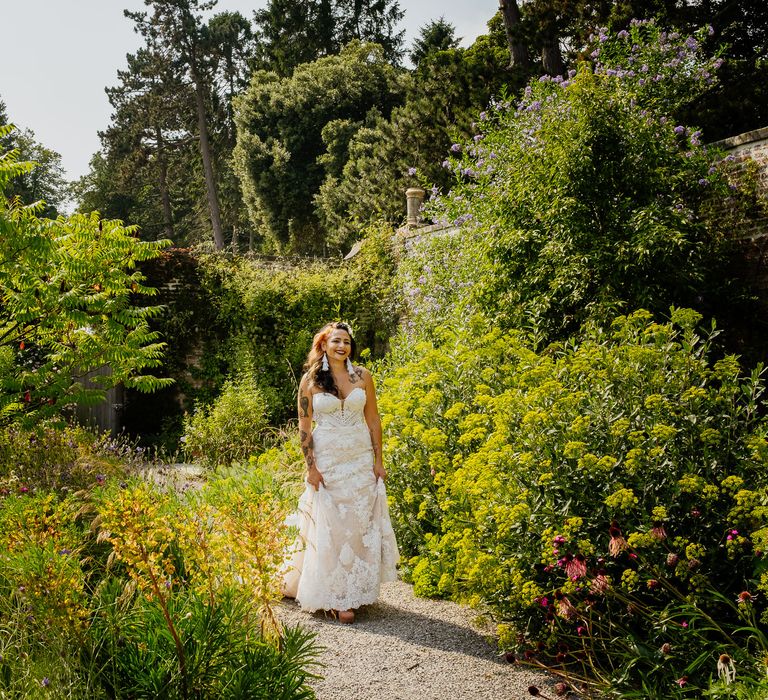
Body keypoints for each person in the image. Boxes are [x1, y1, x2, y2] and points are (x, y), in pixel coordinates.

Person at [281, 322, 399, 623]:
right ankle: (333, 595)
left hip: (359, 459)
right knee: (330, 524)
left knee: (358, 524)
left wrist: (378, 460)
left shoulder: (363, 376)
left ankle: (354, 589)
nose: (342, 346)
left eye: (346, 341)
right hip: (328, 460)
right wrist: (312, 468)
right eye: (336, 341)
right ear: (324, 345)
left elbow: (373, 419)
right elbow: (305, 427)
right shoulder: (310, 380)